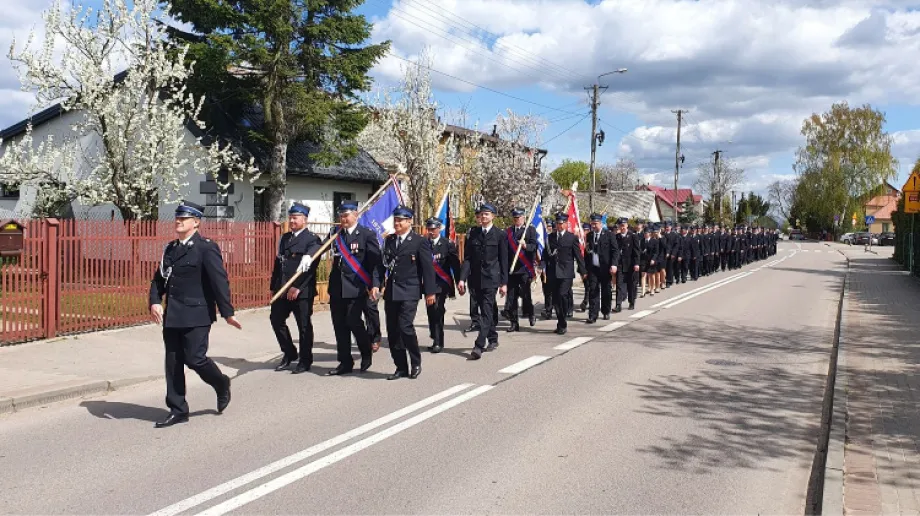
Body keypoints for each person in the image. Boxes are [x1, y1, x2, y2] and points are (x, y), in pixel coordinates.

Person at [148, 200, 239, 428]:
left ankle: (220, 383)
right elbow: (158, 280)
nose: (178, 221)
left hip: (197, 314)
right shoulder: (170, 249)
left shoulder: (206, 247)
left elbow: (219, 281)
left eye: (184, 218)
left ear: (196, 222)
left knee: (195, 358)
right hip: (173, 316)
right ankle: (178, 409)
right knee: (173, 362)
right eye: (177, 218)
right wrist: (155, 301)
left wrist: (227, 312)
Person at [378, 206, 437, 380]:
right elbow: (383, 266)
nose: (397, 223)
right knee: (393, 331)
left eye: (401, 220)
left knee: (405, 326)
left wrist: (430, 292)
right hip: (392, 292)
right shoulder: (389, 240)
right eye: (395, 220)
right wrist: (377, 284)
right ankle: (400, 367)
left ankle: (415, 361)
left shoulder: (419, 241)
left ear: (409, 221)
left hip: (410, 290)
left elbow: (427, 269)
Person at [326, 202, 381, 376]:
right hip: (337, 288)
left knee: (354, 322)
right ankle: (345, 362)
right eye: (341, 216)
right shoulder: (335, 234)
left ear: (355, 215)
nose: (343, 219)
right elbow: (320, 247)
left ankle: (366, 352)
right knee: (339, 326)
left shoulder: (366, 235)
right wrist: (308, 255)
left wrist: (375, 284)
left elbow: (375, 262)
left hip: (357, 287)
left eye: (346, 215)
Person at [269, 202, 322, 374]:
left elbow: (310, 268)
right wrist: (274, 287)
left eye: (295, 217)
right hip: (282, 288)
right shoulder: (285, 238)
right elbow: (279, 264)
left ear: (304, 219)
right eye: (290, 217)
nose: (291, 220)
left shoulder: (312, 239)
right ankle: (289, 352)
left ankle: (305, 360)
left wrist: (297, 287)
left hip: (301, 291)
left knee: (304, 325)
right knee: (276, 319)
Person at [458, 203, 508, 360]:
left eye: (487, 214)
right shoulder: (473, 233)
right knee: (487, 309)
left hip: (491, 279)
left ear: (493, 216)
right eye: (482, 214)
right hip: (475, 279)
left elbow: (504, 260)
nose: (484, 217)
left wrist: (504, 283)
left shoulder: (500, 235)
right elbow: (467, 259)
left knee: (485, 312)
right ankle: (493, 337)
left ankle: (479, 345)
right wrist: (462, 279)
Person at [424, 217, 461, 354]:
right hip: (428, 284)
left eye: (433, 229)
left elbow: (455, 265)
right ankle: (434, 335)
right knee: (430, 311)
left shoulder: (447, 244)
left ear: (439, 228)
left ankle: (438, 341)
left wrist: (459, 282)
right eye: (429, 229)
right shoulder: (423, 244)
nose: (431, 232)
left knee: (437, 309)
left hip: (442, 283)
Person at [545, 212, 585, 334]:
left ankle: (564, 319)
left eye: (561, 223)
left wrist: (583, 271)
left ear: (566, 224)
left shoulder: (571, 237)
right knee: (556, 299)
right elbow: (545, 255)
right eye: (557, 223)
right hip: (553, 273)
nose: (559, 225)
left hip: (566, 273)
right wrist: (542, 266)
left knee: (562, 295)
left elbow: (578, 256)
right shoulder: (550, 237)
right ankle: (561, 322)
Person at [504, 207, 538, 331]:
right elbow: (505, 250)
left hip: (524, 268)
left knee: (525, 295)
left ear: (523, 217)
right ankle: (514, 323)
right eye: (515, 218)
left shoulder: (529, 230)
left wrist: (525, 245)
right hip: (512, 269)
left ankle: (531, 313)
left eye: (518, 217)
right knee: (512, 296)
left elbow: (534, 246)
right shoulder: (508, 232)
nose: (516, 220)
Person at [584, 212, 619, 322]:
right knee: (593, 290)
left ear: (601, 223)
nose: (594, 226)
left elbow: (615, 251)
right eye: (592, 224)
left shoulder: (609, 235)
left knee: (606, 291)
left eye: (596, 223)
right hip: (593, 268)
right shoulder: (589, 235)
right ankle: (592, 315)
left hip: (605, 267)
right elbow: (587, 252)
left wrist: (614, 264)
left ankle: (606, 311)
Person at [615, 217, 641, 311]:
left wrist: (637, 263)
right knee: (619, 284)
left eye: (623, 225)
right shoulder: (616, 237)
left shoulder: (633, 236)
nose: (622, 227)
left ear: (627, 225)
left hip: (631, 264)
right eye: (620, 225)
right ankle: (618, 304)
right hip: (620, 264)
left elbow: (637, 251)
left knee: (631, 284)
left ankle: (631, 302)